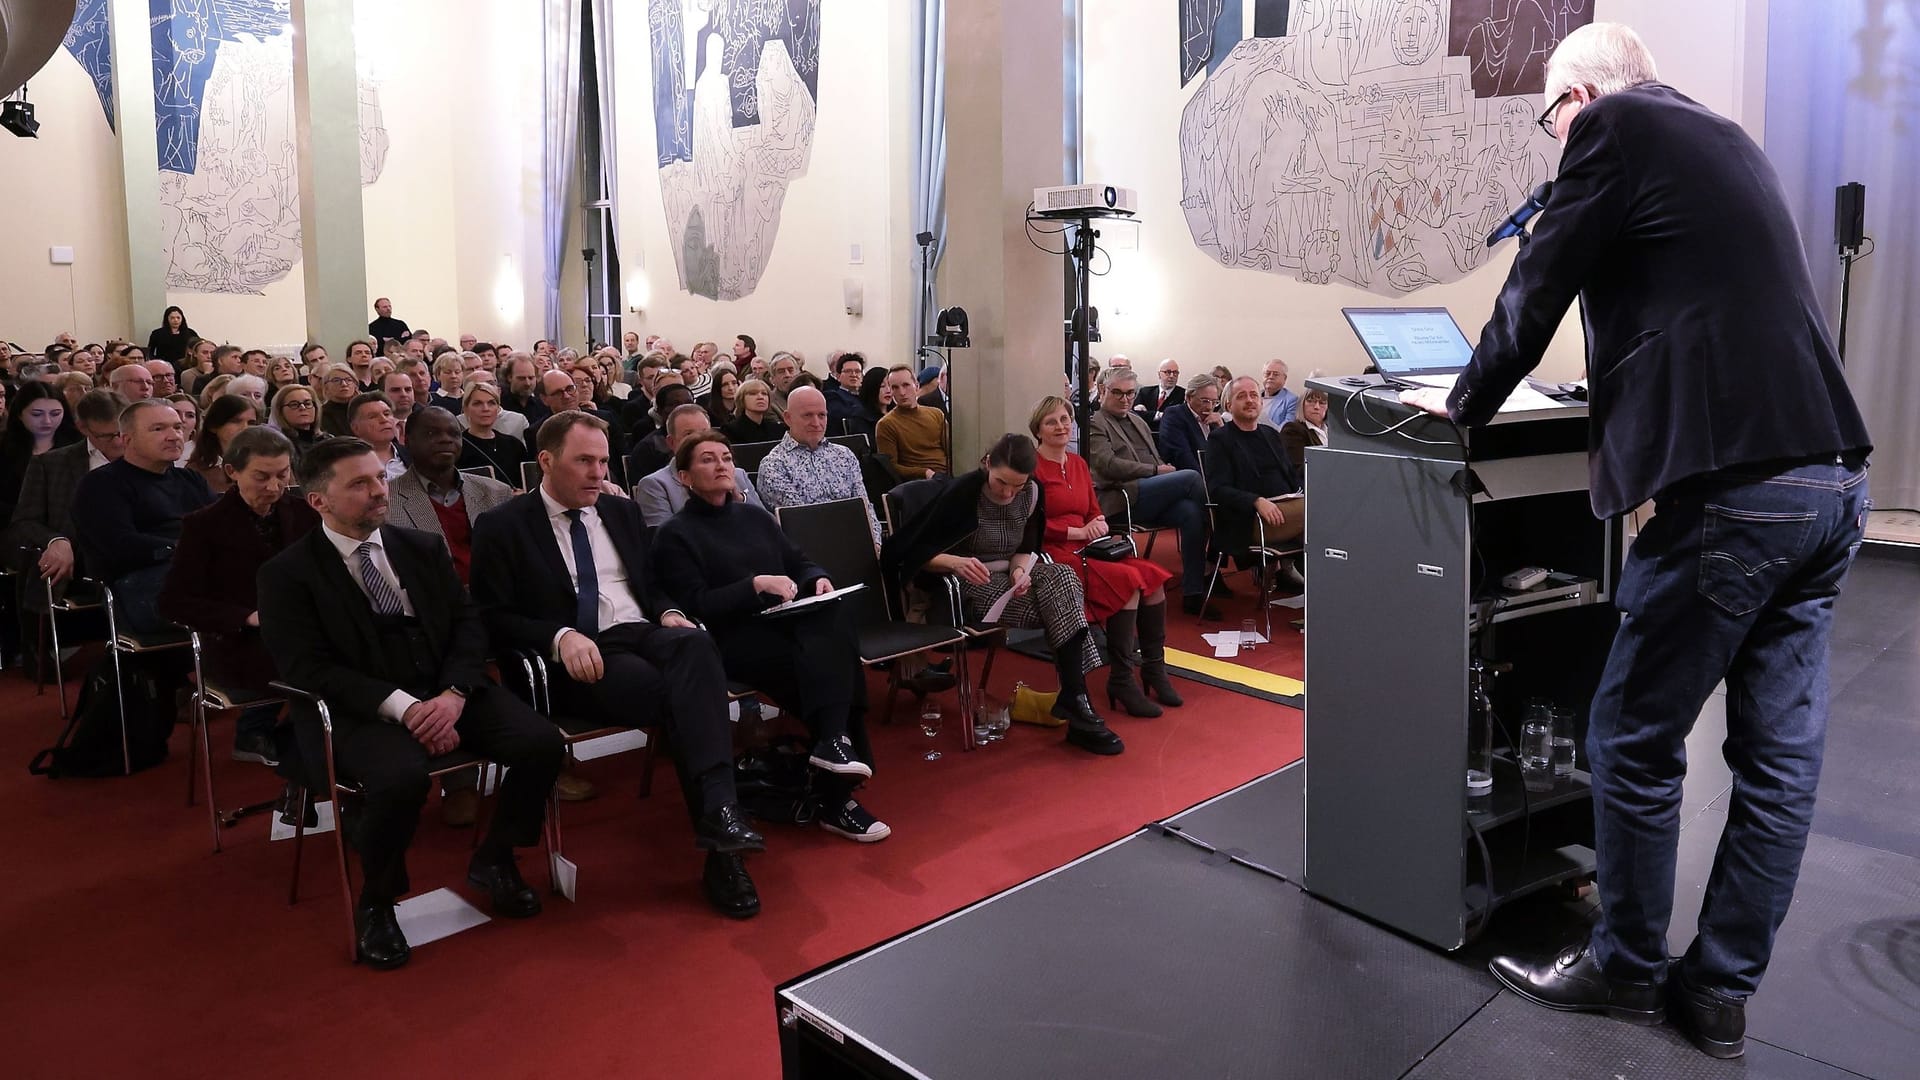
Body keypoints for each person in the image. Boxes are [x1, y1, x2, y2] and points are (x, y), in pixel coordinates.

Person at [1395, 25, 1872, 1059]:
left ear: (1580, 93)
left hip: (1734, 490)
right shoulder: (1725, 138)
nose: (1556, 139)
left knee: (1631, 734)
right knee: (1780, 760)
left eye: (1549, 118)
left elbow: (1536, 288)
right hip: (1829, 481)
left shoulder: (1613, 125)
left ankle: (1624, 966)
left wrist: (1462, 404)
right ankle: (1719, 991)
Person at [257, 437, 564, 969]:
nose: (380, 491)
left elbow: (469, 624)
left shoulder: (419, 547)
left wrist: (454, 694)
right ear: (318, 501)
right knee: (400, 779)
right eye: (360, 483)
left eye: (380, 478)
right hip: (359, 706)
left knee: (541, 743)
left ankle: (496, 857)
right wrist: (405, 707)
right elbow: (309, 669)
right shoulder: (286, 574)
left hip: (445, 687)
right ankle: (378, 900)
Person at [468, 412, 767, 918]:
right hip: (574, 657)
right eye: (583, 460)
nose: (597, 472)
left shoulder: (620, 512)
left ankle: (720, 820)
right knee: (686, 698)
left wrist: (670, 611)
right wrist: (559, 635)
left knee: (694, 645)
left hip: (642, 634)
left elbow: (651, 586)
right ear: (546, 460)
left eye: (603, 461)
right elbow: (491, 617)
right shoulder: (504, 525)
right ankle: (722, 841)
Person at [653, 428, 893, 844]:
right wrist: (754, 585)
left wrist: (817, 579)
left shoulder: (753, 516)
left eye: (726, 457)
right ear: (685, 478)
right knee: (835, 669)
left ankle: (834, 747)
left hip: (784, 621)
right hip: (731, 638)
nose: (721, 465)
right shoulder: (676, 533)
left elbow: (800, 561)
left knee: (834, 615)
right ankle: (839, 794)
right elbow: (697, 603)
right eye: (707, 459)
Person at [884, 434, 1124, 756]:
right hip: (968, 582)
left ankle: (1073, 698)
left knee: (1064, 575)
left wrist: (1019, 572)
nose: (1009, 493)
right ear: (987, 465)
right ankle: (1076, 701)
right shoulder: (964, 493)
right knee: (1064, 604)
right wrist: (955, 561)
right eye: (1001, 483)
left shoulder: (1032, 492)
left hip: (1009, 575)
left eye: (1017, 486)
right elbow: (907, 552)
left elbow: (1027, 548)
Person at [159, 426, 320, 766]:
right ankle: (261, 732)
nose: (274, 487)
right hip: (240, 639)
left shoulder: (304, 512)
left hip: (301, 627)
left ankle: (309, 734)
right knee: (313, 657)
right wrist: (246, 616)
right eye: (261, 477)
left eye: (282, 474)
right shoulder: (204, 525)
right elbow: (174, 601)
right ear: (232, 472)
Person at [1031, 397, 1181, 715]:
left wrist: (1097, 521)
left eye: (1065, 419)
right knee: (1128, 580)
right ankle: (1122, 679)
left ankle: (1154, 668)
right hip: (1055, 553)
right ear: (1038, 430)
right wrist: (1077, 533)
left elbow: (1092, 509)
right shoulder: (1032, 468)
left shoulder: (1078, 463)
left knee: (1152, 578)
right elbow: (1031, 524)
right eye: (1051, 422)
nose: (1061, 426)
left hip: (1090, 545)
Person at [71, 399, 216, 633]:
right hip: (137, 585)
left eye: (178, 427)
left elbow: (220, 527)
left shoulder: (191, 480)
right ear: (127, 439)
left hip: (197, 571)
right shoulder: (100, 484)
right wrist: (185, 549)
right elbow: (119, 545)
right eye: (158, 429)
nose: (174, 436)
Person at [1084, 367, 1217, 617]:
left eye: (1130, 394)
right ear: (1103, 391)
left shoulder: (1136, 420)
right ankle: (1216, 548)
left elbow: (1157, 458)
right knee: (1190, 477)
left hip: (1148, 493)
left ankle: (1193, 592)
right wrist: (1156, 471)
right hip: (1121, 497)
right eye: (1118, 393)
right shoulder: (1094, 423)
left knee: (1190, 512)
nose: (1125, 399)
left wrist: (1161, 470)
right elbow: (1108, 466)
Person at [2, 389, 126, 593]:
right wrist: (55, 540)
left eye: (122, 433)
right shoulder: (51, 464)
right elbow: (24, 521)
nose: (118, 441)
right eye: (106, 436)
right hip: (79, 560)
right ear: (83, 428)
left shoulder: (148, 459)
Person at [385, 407, 513, 585]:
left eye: (454, 433)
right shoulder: (387, 501)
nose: (446, 439)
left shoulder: (497, 492)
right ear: (407, 441)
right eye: (431, 433)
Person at [1206, 376, 1307, 594]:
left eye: (1254, 395)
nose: (1250, 400)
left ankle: (1321, 591)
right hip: (1251, 520)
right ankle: (1322, 593)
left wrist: (1301, 493)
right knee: (1321, 513)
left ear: (1261, 402)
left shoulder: (1270, 434)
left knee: (1326, 509)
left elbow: (1291, 475)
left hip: (1287, 510)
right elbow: (1217, 489)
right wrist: (1255, 501)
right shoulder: (1220, 440)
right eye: (1241, 396)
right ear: (1228, 405)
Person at [755, 387, 880, 545]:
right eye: (807, 415)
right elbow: (805, 522)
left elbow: (865, 508)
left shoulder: (845, 456)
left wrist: (875, 543)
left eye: (822, 415)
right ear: (787, 418)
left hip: (858, 544)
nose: (816, 423)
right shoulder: (774, 465)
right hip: (811, 551)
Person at [634, 402, 766, 527]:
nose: (699, 440)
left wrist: (740, 499)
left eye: (705, 433)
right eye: (689, 434)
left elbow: (771, 527)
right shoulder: (655, 485)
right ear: (671, 442)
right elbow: (663, 540)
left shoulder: (737, 474)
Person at [0, 382, 79, 525]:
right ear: (19, 414)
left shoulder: (78, 444)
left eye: (55, 414)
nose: (47, 421)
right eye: (37, 414)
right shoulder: (4, 446)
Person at [874, 365, 950, 480]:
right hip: (918, 483)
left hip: (946, 475)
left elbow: (952, 451)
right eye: (895, 388)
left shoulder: (936, 414)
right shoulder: (886, 424)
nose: (902, 392)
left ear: (917, 386)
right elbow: (890, 466)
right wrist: (925, 472)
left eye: (906, 385)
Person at [457, 382, 530, 488]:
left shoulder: (514, 445)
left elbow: (527, 482)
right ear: (466, 409)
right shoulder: (458, 447)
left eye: (491, 403)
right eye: (477, 403)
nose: (486, 408)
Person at [184, 394, 259, 495]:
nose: (245, 428)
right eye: (236, 421)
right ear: (213, 426)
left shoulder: (266, 463)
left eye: (251, 423)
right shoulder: (195, 472)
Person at [1159, 372, 1226, 473]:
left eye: (1214, 402)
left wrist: (1222, 429)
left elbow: (1232, 456)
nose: (1209, 407)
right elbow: (1183, 458)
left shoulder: (1217, 421)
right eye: (1205, 401)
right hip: (1191, 478)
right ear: (1189, 397)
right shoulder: (1175, 415)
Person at [347, 392, 409, 481]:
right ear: (355, 428)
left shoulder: (412, 455)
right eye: (372, 416)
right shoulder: (346, 463)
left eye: (387, 414)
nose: (384, 420)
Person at [269, 383, 327, 465]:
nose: (303, 408)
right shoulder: (277, 446)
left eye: (307, 403)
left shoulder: (328, 440)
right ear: (280, 411)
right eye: (294, 404)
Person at [722, 377, 786, 445]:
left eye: (764, 393)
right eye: (753, 393)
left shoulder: (777, 428)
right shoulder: (730, 430)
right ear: (741, 399)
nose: (760, 397)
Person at [1279, 388, 1329, 468]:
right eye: (1310, 401)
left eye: (1322, 403)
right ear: (1302, 404)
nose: (1317, 407)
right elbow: (1298, 469)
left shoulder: (1332, 431)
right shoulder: (1292, 430)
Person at [1135, 359, 1184, 426]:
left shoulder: (1184, 395)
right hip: (1144, 433)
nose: (1172, 376)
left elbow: (1178, 418)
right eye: (1168, 372)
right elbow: (1134, 414)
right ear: (1159, 374)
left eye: (1175, 372)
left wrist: (1148, 414)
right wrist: (1160, 415)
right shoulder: (1145, 392)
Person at [315, 362, 359, 436]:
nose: (344, 384)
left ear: (355, 385)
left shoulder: (363, 409)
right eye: (336, 380)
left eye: (348, 380)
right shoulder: (321, 414)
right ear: (326, 387)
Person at [699, 360, 740, 427]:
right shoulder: (710, 412)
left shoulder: (744, 408)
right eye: (725, 384)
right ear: (717, 387)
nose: (731, 388)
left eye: (734, 383)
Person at [1259, 359, 1298, 429]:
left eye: (1275, 374)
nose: (1270, 377)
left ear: (1284, 378)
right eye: (1267, 374)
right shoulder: (1253, 397)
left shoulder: (1291, 400)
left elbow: (1286, 429)